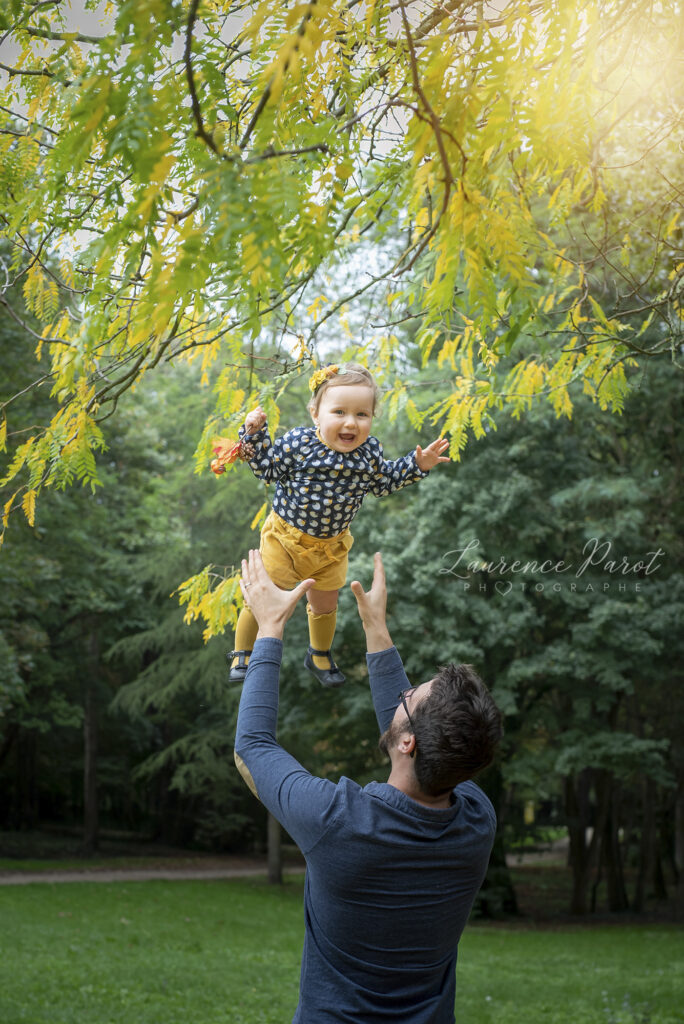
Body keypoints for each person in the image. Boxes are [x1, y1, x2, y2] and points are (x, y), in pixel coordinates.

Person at [234, 548, 503, 1024]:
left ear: (407, 742)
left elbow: (252, 748)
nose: (403, 692)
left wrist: (270, 629)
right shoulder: (476, 821)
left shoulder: (338, 823)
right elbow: (411, 740)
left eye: (409, 694)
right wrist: (375, 628)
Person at [212, 363, 450, 687]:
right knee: (264, 595)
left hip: (331, 548)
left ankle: (319, 654)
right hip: (286, 538)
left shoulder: (369, 453)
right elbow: (267, 468)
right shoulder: (299, 443)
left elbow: (385, 482)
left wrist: (417, 465)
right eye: (339, 412)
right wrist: (254, 434)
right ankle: (242, 651)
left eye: (362, 414)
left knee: (326, 604)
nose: (351, 422)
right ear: (315, 414)